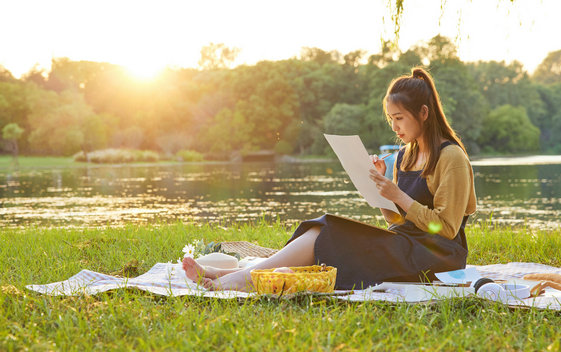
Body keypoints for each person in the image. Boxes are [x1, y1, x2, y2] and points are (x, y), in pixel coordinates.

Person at [183, 67, 476, 291]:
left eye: (399, 118)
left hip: (440, 257)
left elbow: (447, 228)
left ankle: (233, 281)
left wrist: (398, 195)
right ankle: (228, 275)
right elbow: (398, 223)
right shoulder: (404, 156)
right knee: (325, 232)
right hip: (407, 244)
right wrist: (380, 193)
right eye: (390, 119)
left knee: (330, 232)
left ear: (423, 113)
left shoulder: (451, 158)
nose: (395, 126)